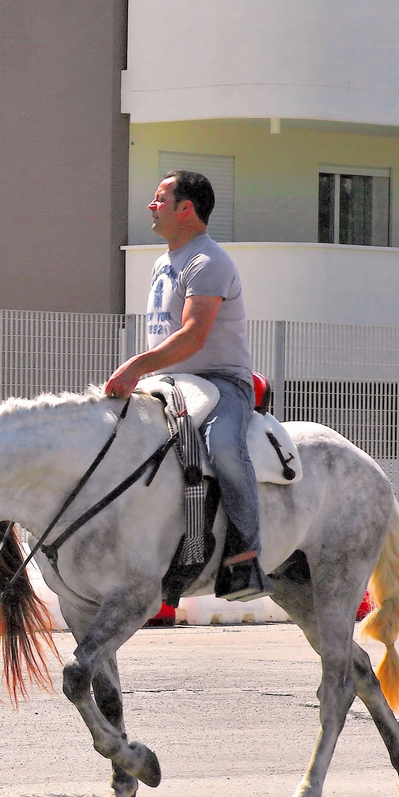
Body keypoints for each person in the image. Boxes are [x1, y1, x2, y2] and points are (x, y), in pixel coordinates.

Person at [104, 170, 269, 602]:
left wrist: (135, 367)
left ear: (185, 209)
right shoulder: (163, 262)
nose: (150, 206)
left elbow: (195, 335)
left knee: (224, 449)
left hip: (221, 382)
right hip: (169, 383)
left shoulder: (208, 262)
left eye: (159, 199)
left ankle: (246, 554)